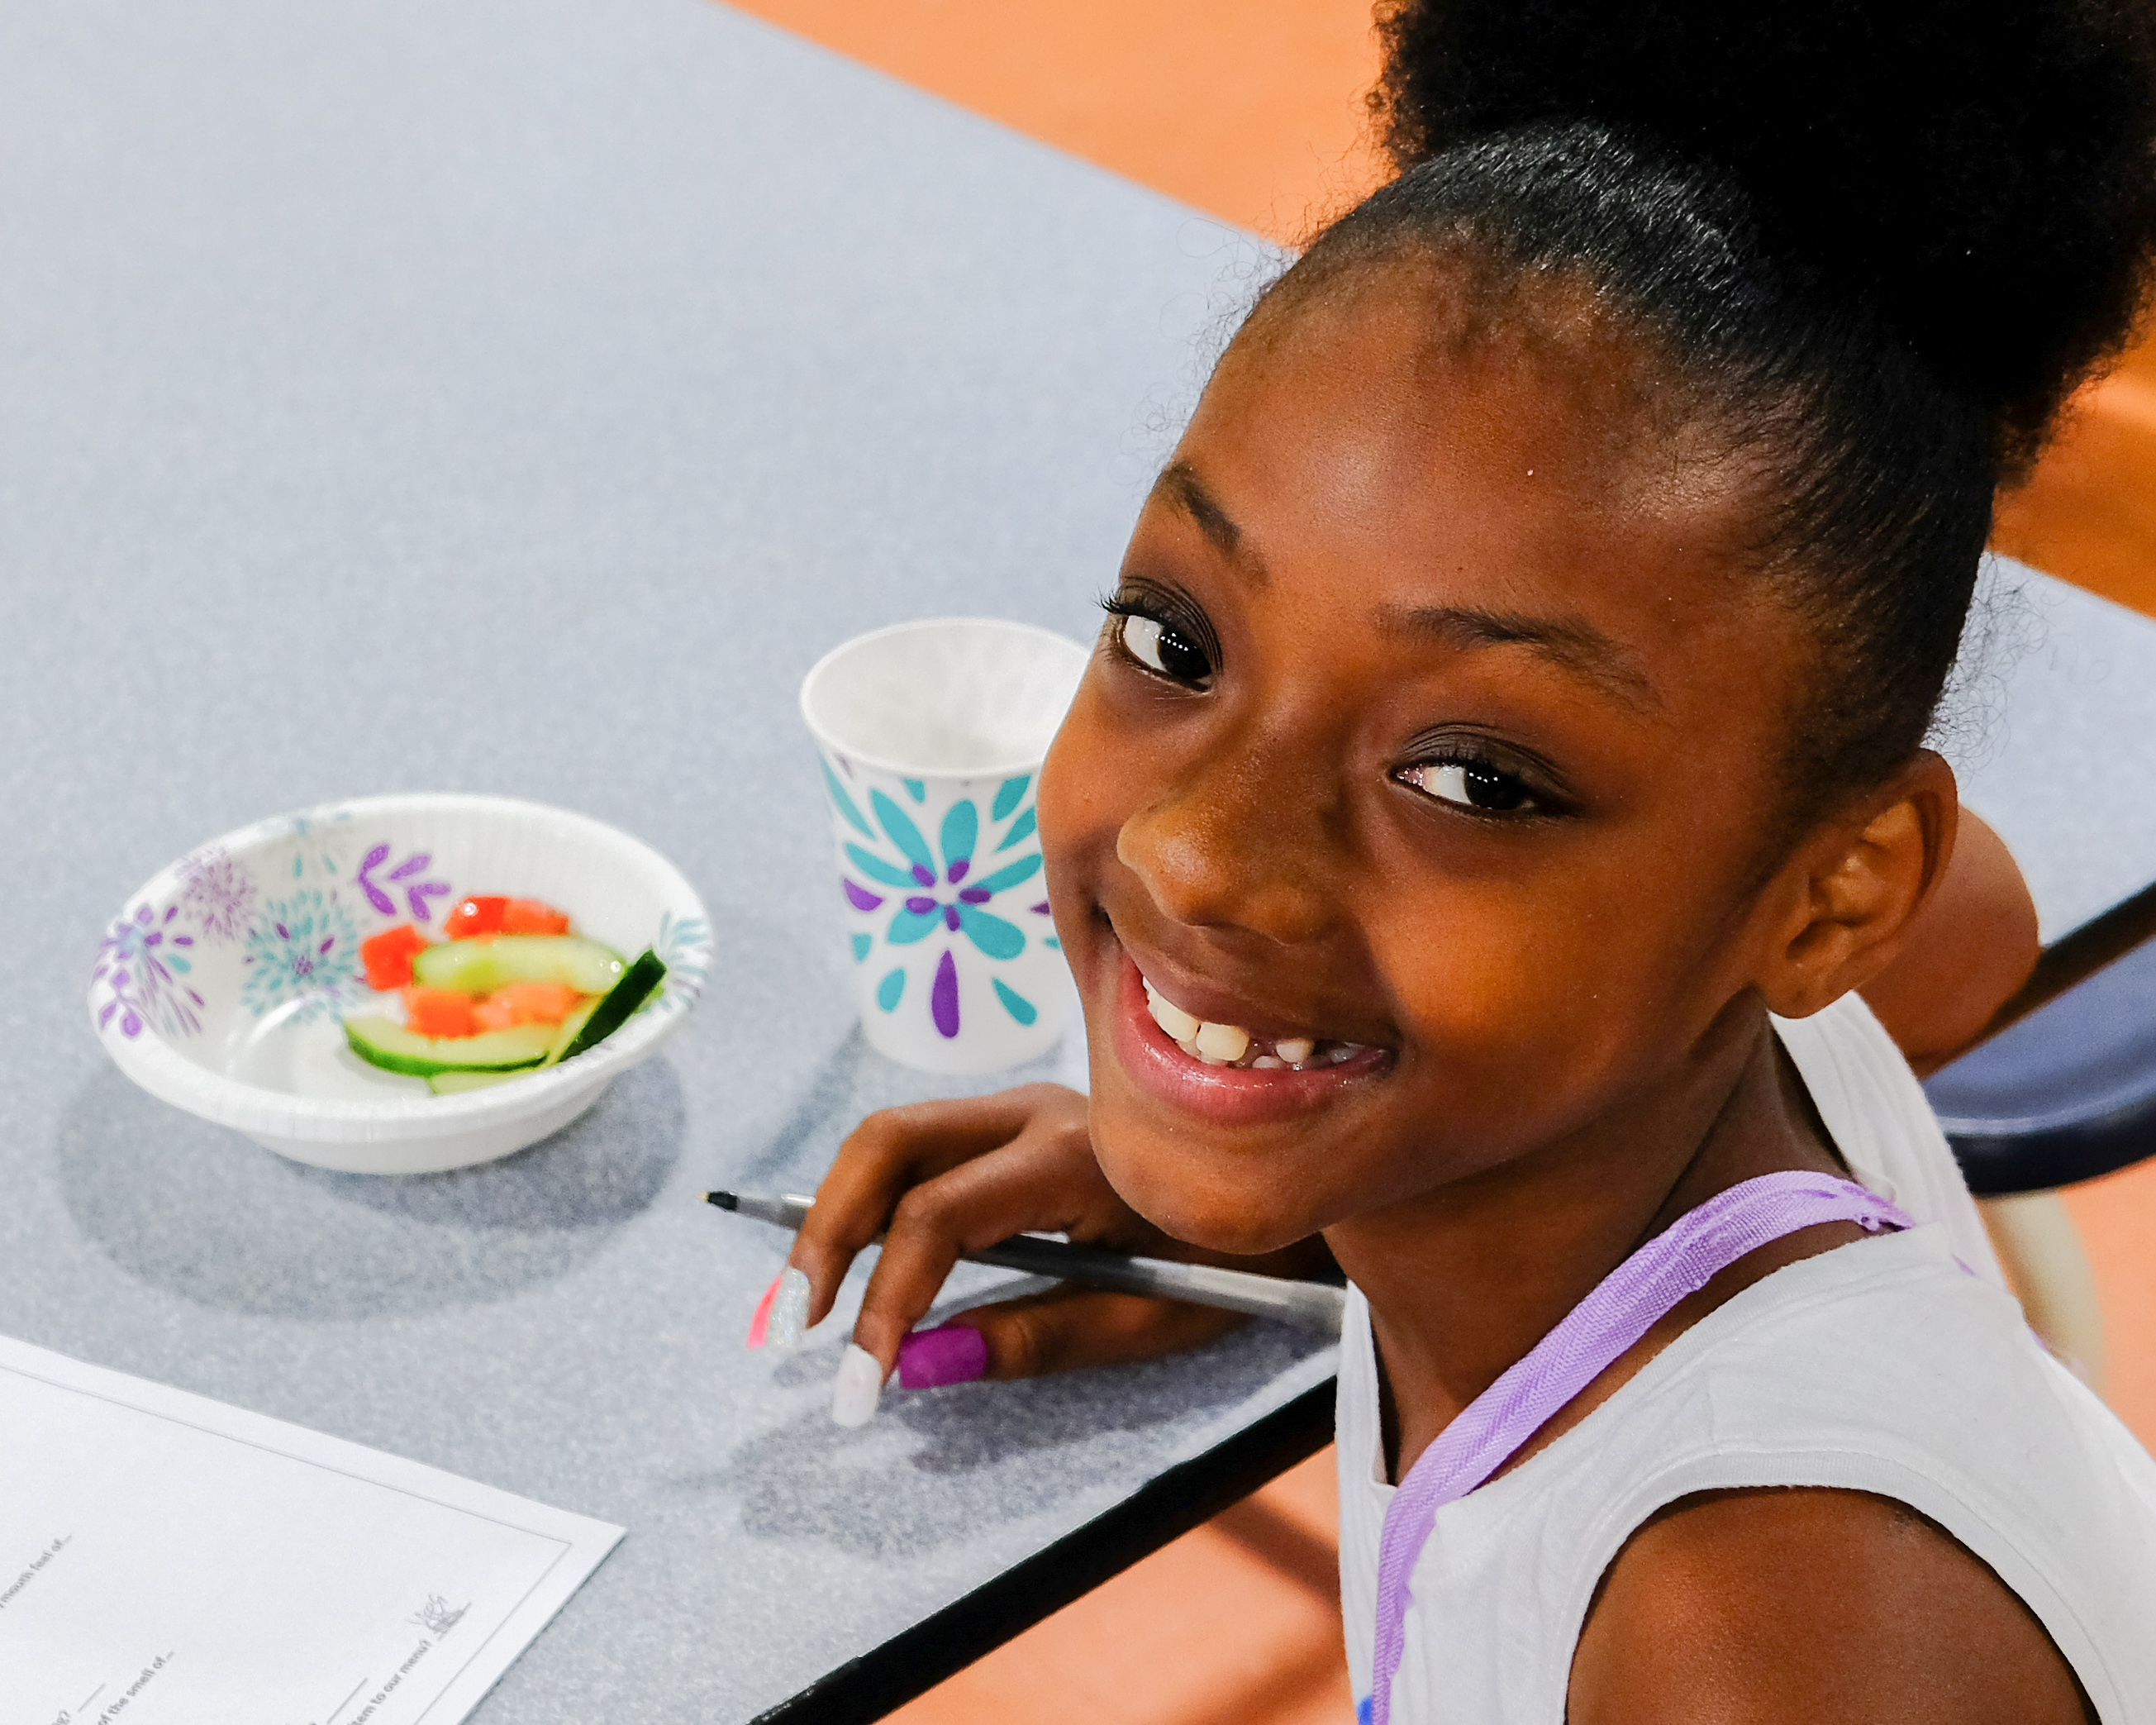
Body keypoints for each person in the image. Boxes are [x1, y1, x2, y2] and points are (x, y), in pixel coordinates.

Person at [764, 0, 2156, 1715]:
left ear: (1826, 895)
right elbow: (1983, 920)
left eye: (1477, 778)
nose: (1201, 854)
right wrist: (1312, 1212)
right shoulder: (1736, 990)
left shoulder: (1754, 1645)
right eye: (1177, 639)